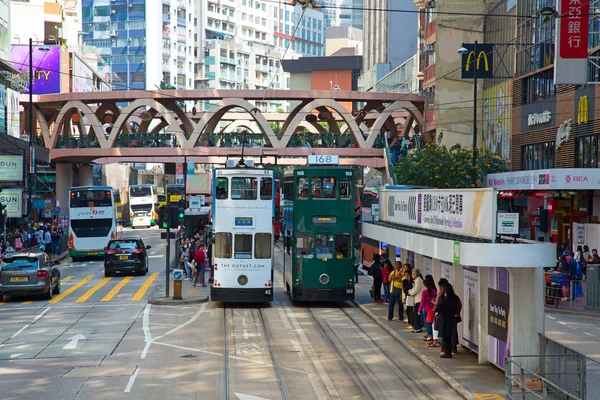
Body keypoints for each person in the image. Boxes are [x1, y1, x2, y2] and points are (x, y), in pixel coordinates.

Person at [435, 283, 459, 358]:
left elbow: (437, 309)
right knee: (450, 336)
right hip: (451, 319)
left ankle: (447, 352)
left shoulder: (443, 300)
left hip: (444, 320)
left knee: (445, 337)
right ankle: (451, 351)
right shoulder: (455, 299)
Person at [419, 275, 437, 343]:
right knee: (431, 323)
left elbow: (422, 301)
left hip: (426, 309)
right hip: (432, 309)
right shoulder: (433, 291)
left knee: (427, 323)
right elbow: (435, 299)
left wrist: (419, 309)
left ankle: (430, 336)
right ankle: (431, 335)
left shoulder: (424, 292)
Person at [408, 268, 424, 333]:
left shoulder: (418, 280)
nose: (411, 275)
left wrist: (410, 292)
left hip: (419, 299)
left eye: (412, 274)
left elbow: (415, 290)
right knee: (416, 314)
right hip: (417, 299)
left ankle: (418, 328)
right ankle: (417, 327)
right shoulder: (417, 280)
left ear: (415, 274)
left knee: (416, 314)